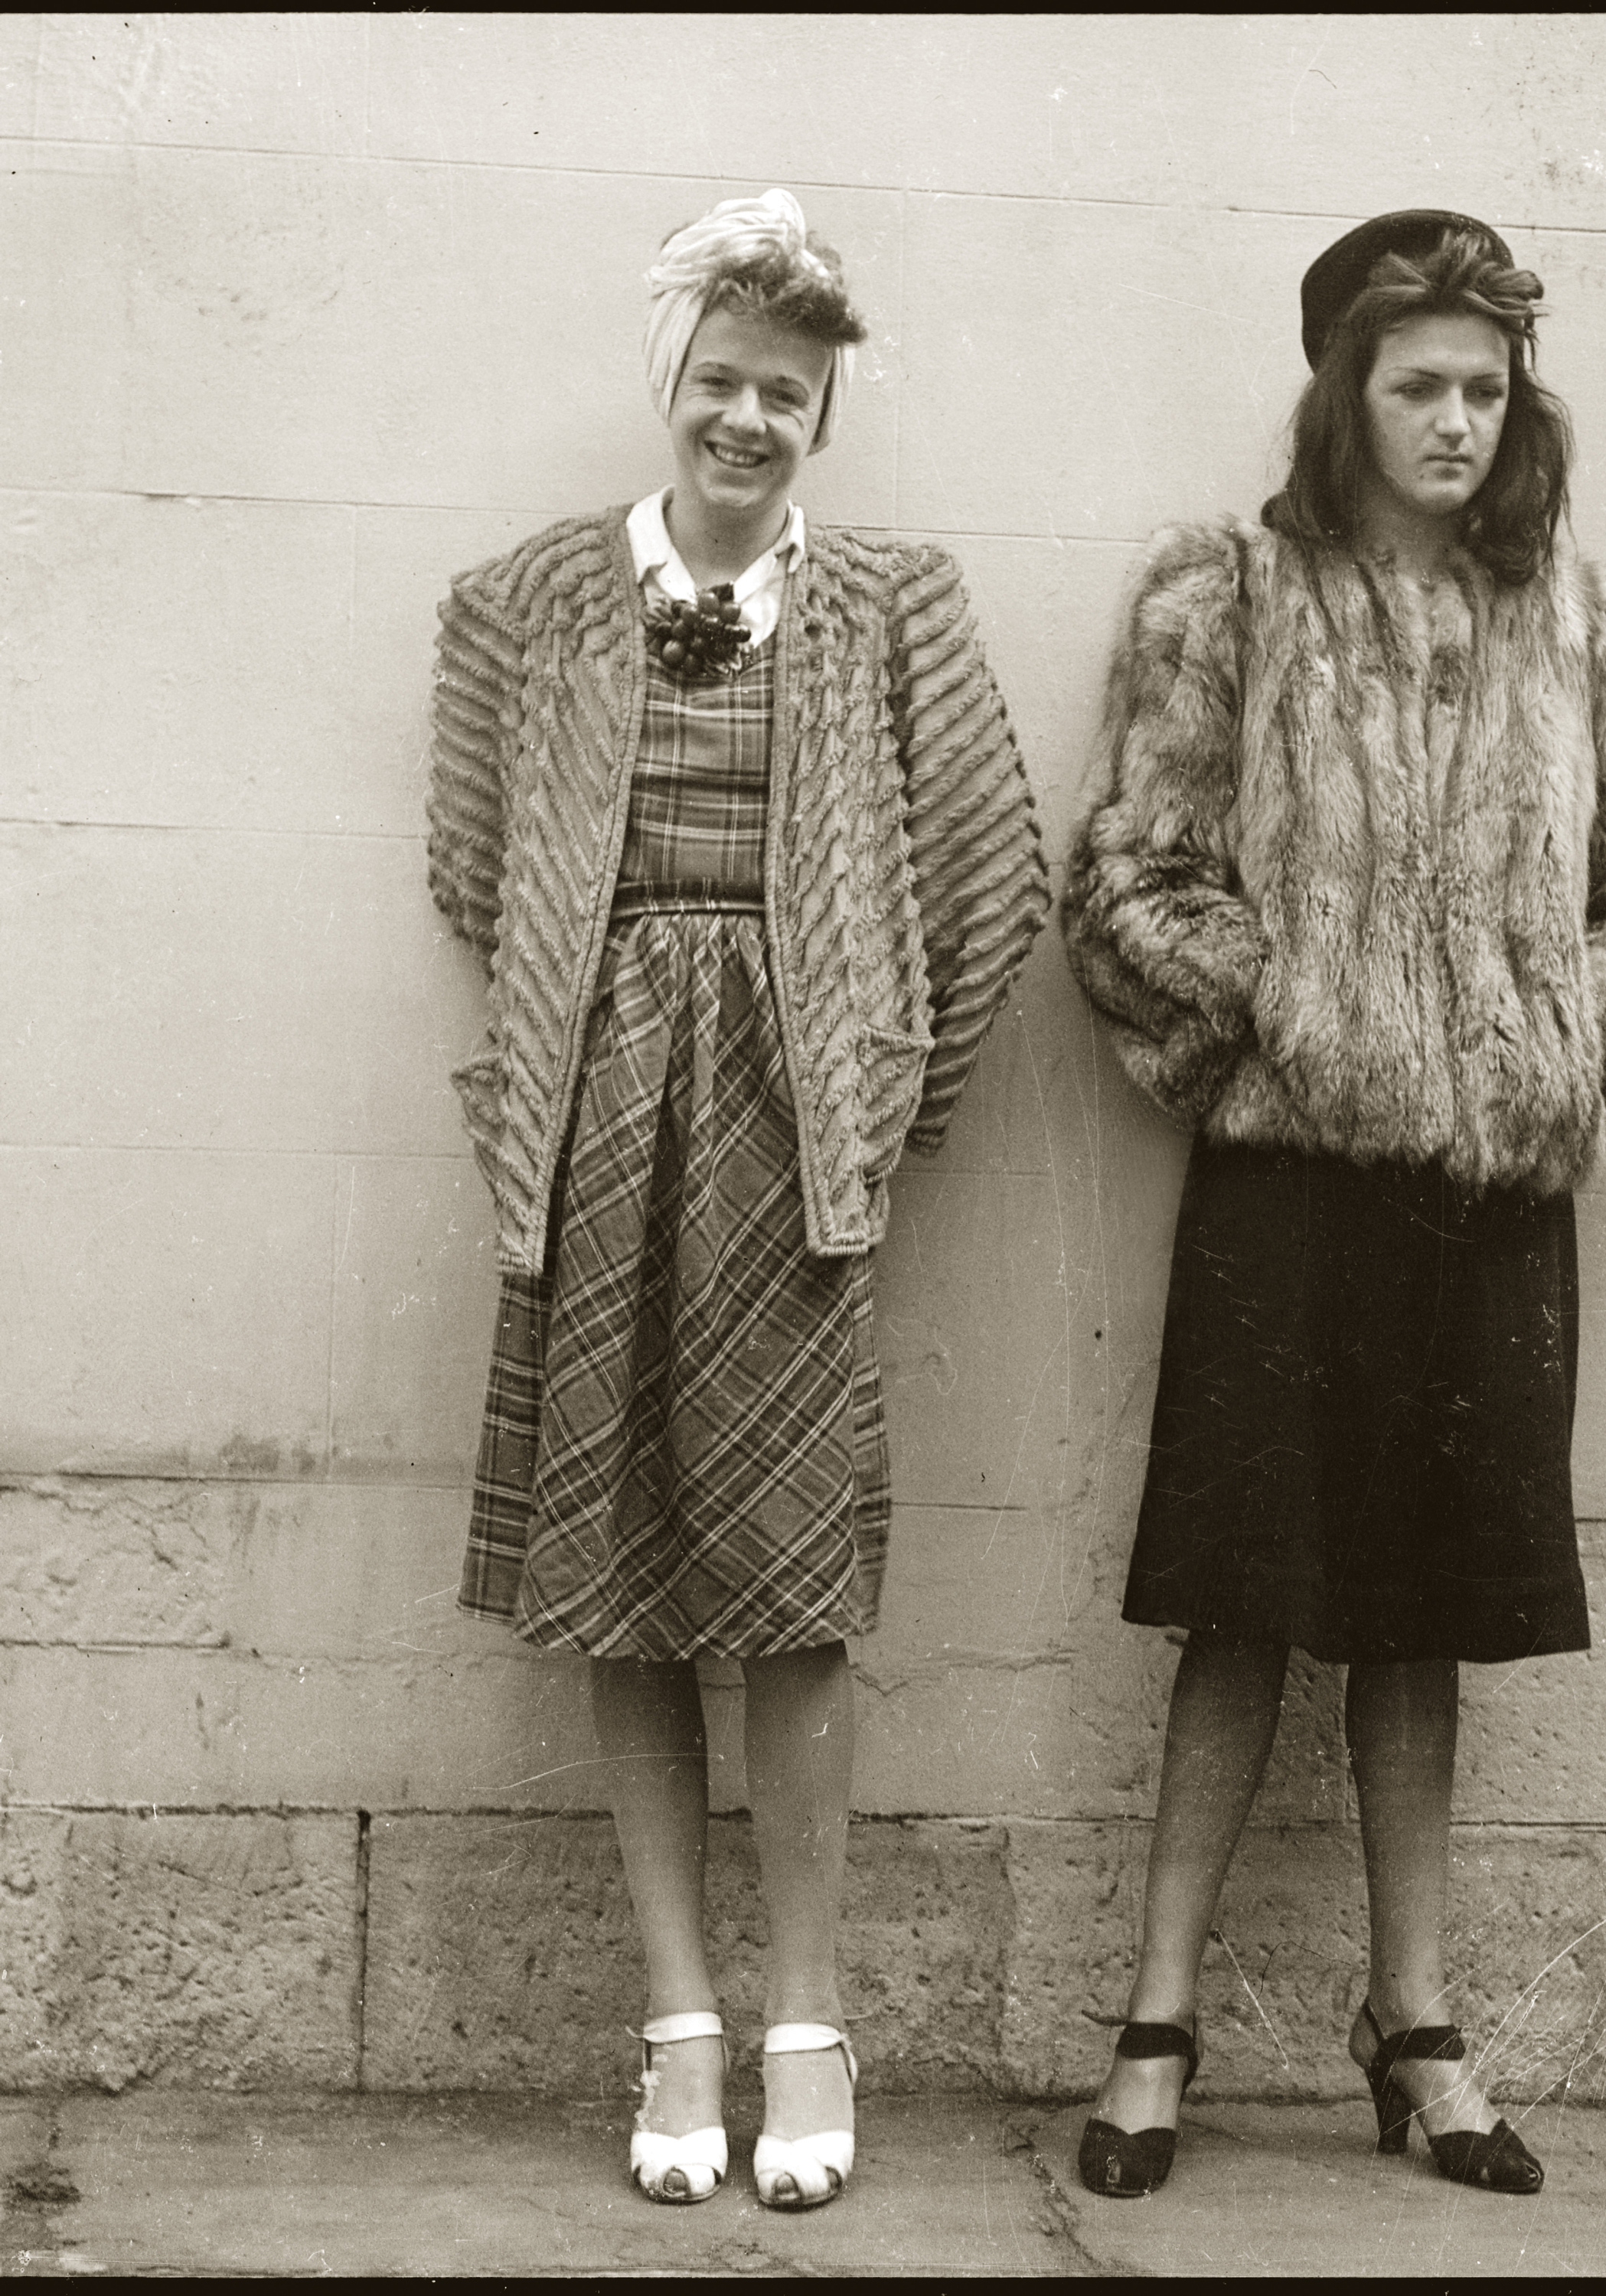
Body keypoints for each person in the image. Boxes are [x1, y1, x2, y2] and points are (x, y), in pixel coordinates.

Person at [1061, 209, 1606, 2200]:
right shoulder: (1231, 598)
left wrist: (1547, 1039)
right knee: (1241, 1603)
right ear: (1340, 395)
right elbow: (1123, 884)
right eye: (1413, 383)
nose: (1453, 421)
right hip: (1285, 1190)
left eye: (1482, 386)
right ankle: (1155, 2023)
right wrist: (1297, 1020)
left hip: (1488, 1202)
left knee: (1425, 1624)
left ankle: (1413, 2023)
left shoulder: (1589, 626)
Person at [424, 189, 1047, 2211]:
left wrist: (873, 1106)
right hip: (600, 1118)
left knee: (786, 1593)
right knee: (615, 1570)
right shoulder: (519, 605)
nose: (748, 421)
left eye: (787, 394)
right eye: (719, 383)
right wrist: (600, 1030)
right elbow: (471, 867)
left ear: (824, 417)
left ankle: (807, 2017)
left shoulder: (892, 609)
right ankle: (677, 2020)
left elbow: (990, 888)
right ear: (666, 386)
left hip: (797, 1142)